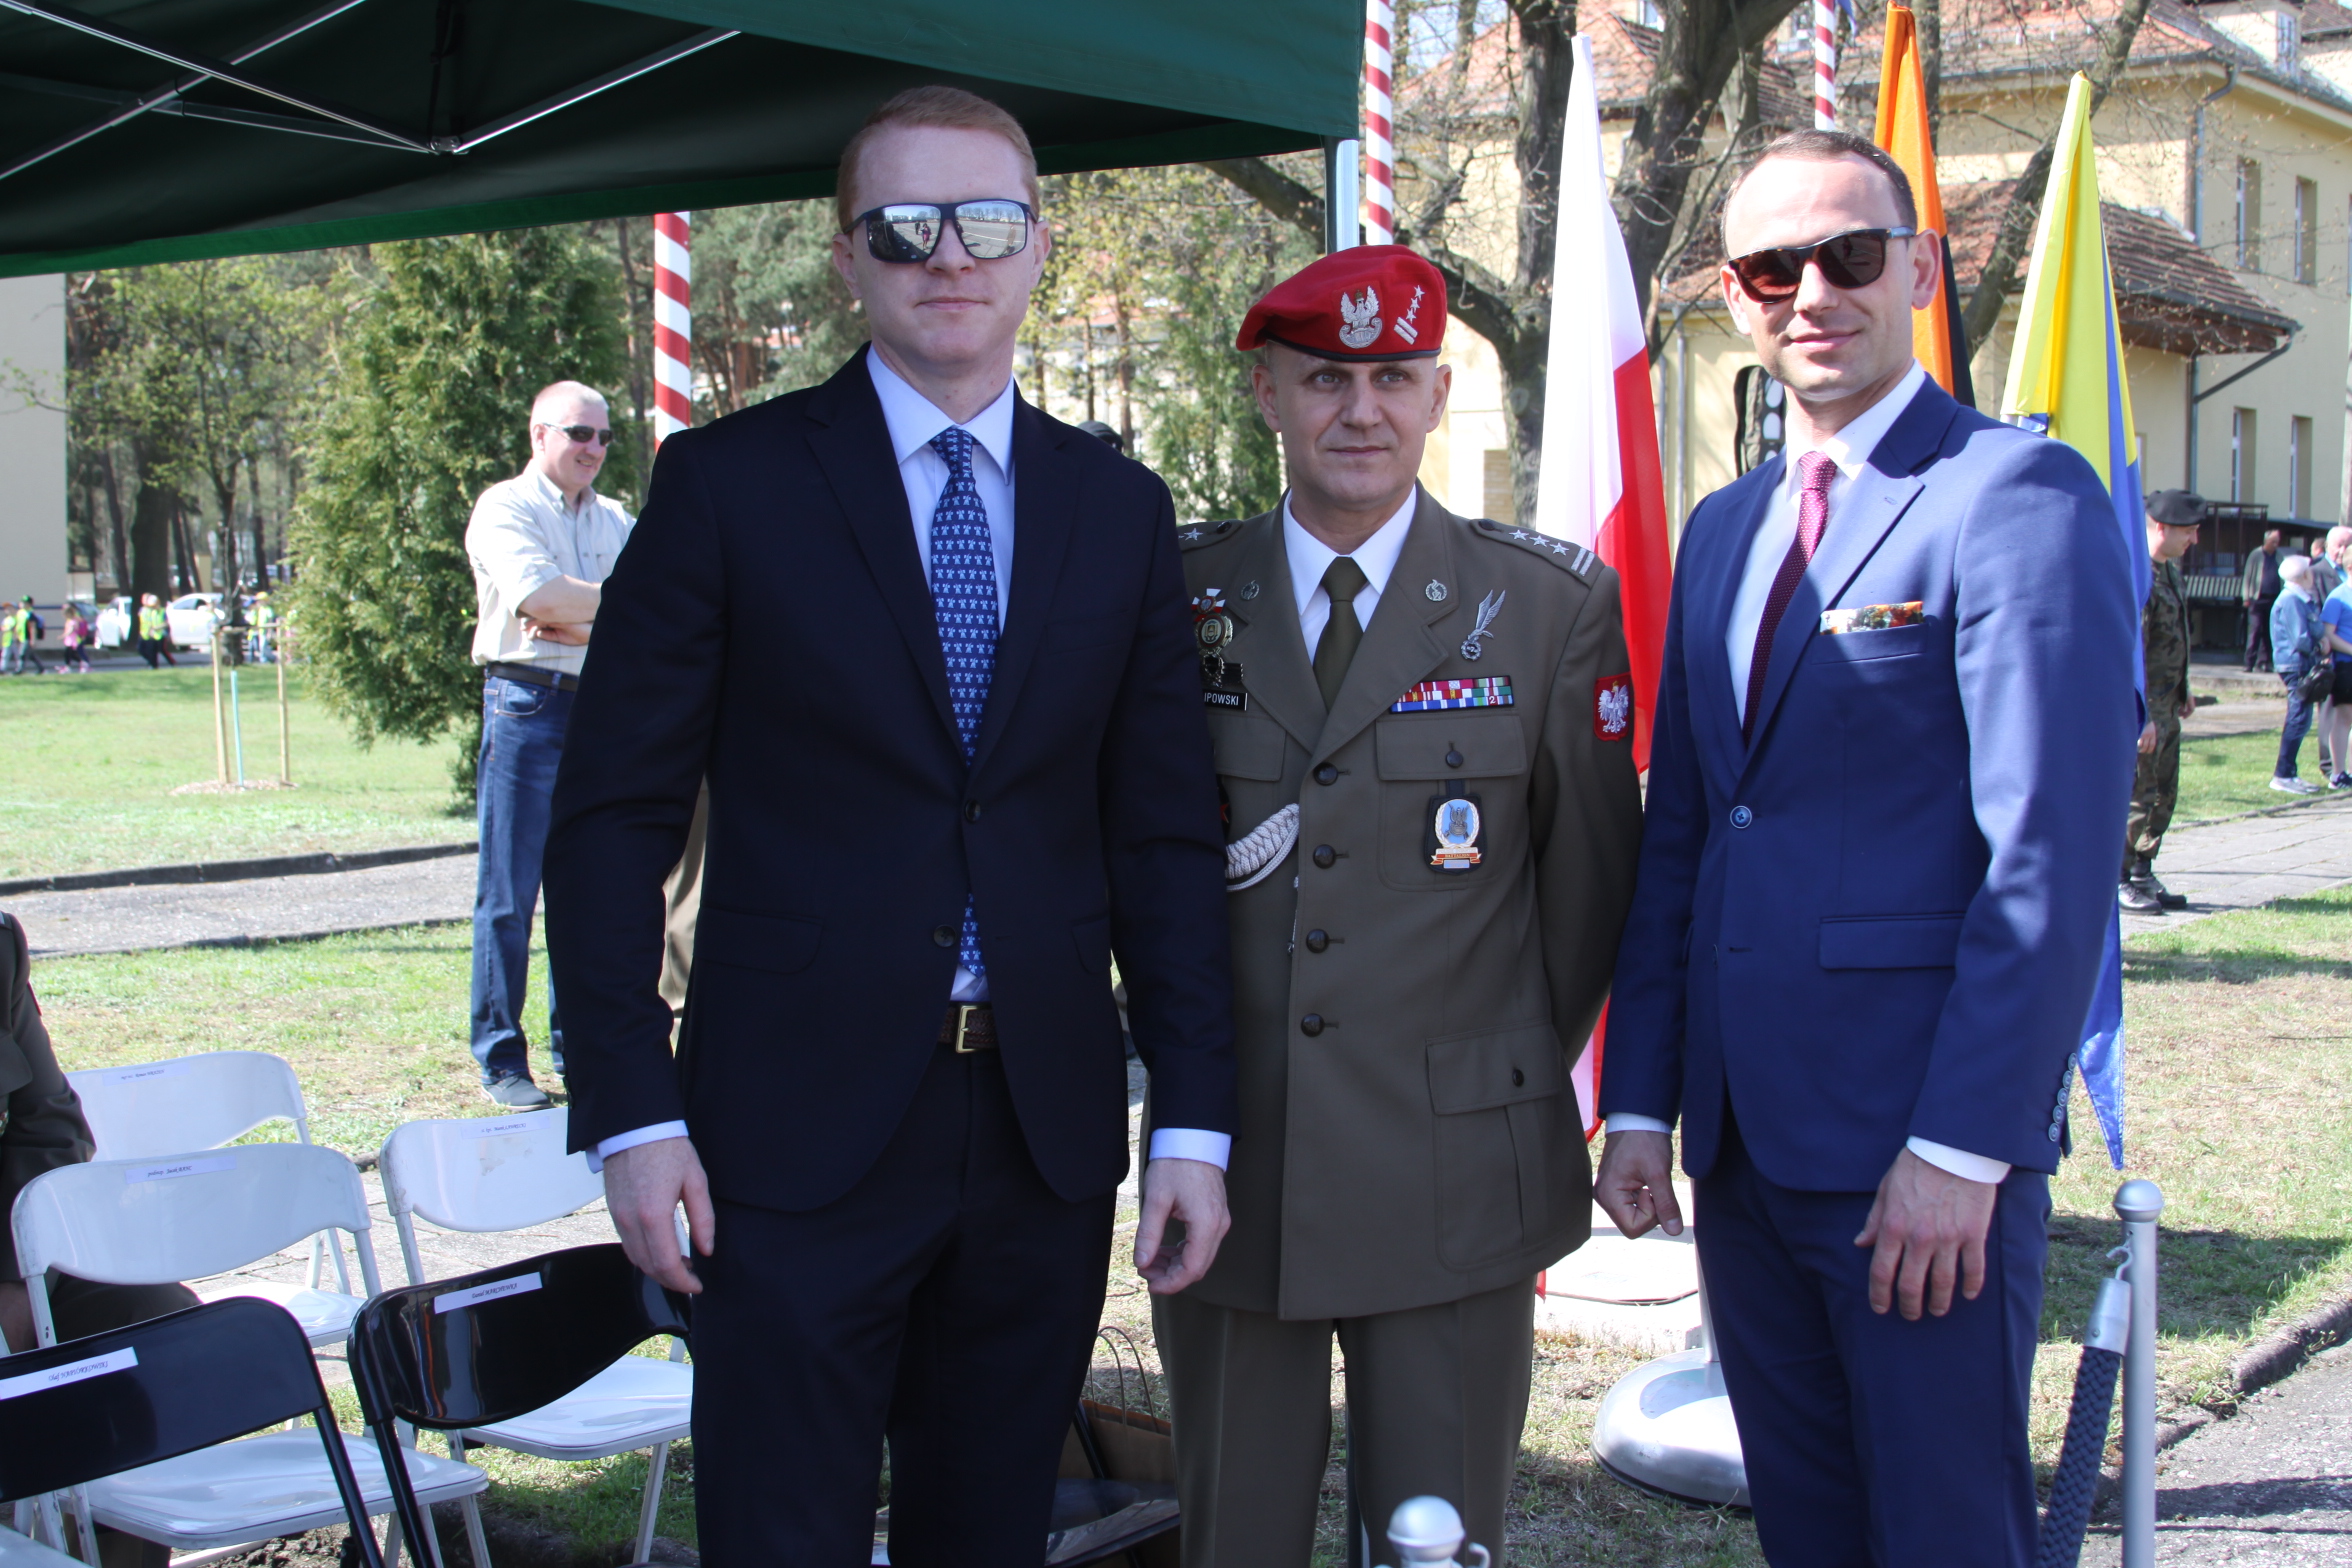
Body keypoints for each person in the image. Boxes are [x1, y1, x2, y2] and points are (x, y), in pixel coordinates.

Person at [540, 86, 1238, 1567]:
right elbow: (610, 815)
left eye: (985, 220)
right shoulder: (727, 487)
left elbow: (1164, 837)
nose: (950, 255)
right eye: (905, 226)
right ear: (847, 256)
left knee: (987, 1535)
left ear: (1037, 243)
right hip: (786, 1132)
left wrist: (1192, 1113)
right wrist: (632, 1110)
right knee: (780, 1534)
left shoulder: (1118, 509)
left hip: (1042, 1134)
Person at [1596, 129, 2137, 1568]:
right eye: (1775, 268)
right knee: (1810, 1530)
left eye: (1849, 255)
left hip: (1918, 1150)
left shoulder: (2012, 496)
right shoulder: (1726, 528)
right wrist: (1642, 1098)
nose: (1815, 293)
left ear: (1920, 270)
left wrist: (1963, 1146)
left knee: (1943, 1533)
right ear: (1732, 294)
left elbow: (2049, 860)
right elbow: (1687, 834)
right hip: (1745, 1150)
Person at [1156, 246, 1643, 1566]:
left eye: (1392, 378)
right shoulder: (1178, 596)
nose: (1359, 409)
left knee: (1438, 1540)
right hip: (1233, 1162)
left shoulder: (1543, 606)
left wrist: (1485, 1067)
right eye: (1325, 378)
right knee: (1232, 1537)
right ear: (1266, 392)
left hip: (1455, 1168)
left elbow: (1589, 891)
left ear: (1437, 395)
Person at [461, 380, 636, 1109]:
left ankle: (578, 1054)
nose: (594, 448)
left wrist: (579, 612)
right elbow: (538, 599)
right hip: (527, 705)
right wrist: (602, 609)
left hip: (599, 709)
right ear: (540, 435)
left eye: (604, 436)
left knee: (587, 893)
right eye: (579, 433)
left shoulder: (617, 518)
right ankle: (502, 1058)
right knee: (510, 895)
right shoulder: (505, 507)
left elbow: (658, 604)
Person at [2123, 490, 2202, 912]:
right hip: (2147, 710)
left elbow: (2173, 636)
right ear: (2162, 528)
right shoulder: (2141, 577)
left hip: (2168, 705)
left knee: (2163, 794)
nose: (2194, 540)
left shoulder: (2170, 572)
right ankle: (2118, 878)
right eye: (2188, 531)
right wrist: (2143, 716)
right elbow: (2134, 649)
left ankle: (2142, 870)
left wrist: (2183, 688)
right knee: (2139, 793)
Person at [2270, 553, 2325, 794]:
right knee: (2298, 717)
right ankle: (2283, 774)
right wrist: (2320, 645)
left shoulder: (2301, 599)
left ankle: (2290, 772)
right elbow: (2301, 638)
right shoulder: (2291, 600)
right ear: (2303, 575)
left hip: (2301, 663)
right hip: (2295, 664)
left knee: (2302, 718)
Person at [2320, 542, 2352, 790]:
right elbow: (2328, 634)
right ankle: (2338, 773)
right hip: (2346, 666)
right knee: (2344, 718)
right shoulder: (2338, 597)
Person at [2244, 527, 2284, 671]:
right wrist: (2246, 596)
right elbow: (2248, 576)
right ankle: (2249, 662)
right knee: (2255, 630)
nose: (2276, 544)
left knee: (2269, 632)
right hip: (2257, 598)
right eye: (2273, 541)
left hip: (2274, 599)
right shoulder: (2256, 555)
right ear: (2266, 541)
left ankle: (2265, 662)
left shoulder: (2279, 556)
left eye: (2277, 541)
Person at [136, 592, 174, 668]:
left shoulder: (161, 611)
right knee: (151, 650)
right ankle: (153, 665)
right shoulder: (148, 611)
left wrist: (156, 628)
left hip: (160, 634)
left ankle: (171, 663)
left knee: (161, 650)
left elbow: (166, 623)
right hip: (150, 634)